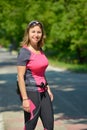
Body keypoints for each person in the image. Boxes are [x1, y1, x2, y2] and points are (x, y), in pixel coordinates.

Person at [17, 20, 54, 130]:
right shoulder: (24, 52)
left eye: (39, 32)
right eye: (33, 32)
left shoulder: (40, 50)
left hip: (44, 91)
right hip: (31, 93)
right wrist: (24, 99)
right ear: (28, 33)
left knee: (49, 124)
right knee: (30, 126)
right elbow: (20, 77)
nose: (36, 35)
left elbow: (41, 72)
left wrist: (49, 89)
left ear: (42, 34)